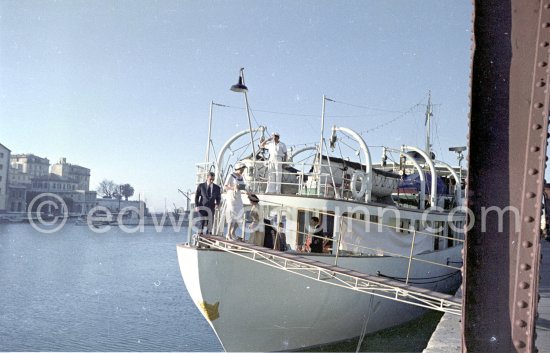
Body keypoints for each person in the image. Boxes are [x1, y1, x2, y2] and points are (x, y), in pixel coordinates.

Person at [224, 161, 248, 240]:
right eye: (242, 169)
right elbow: (225, 187)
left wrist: (245, 191)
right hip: (231, 197)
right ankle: (228, 234)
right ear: (238, 168)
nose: (243, 171)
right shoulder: (231, 175)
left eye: (243, 169)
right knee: (231, 215)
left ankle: (232, 232)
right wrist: (233, 188)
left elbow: (242, 187)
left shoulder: (241, 177)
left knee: (240, 216)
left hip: (238, 197)